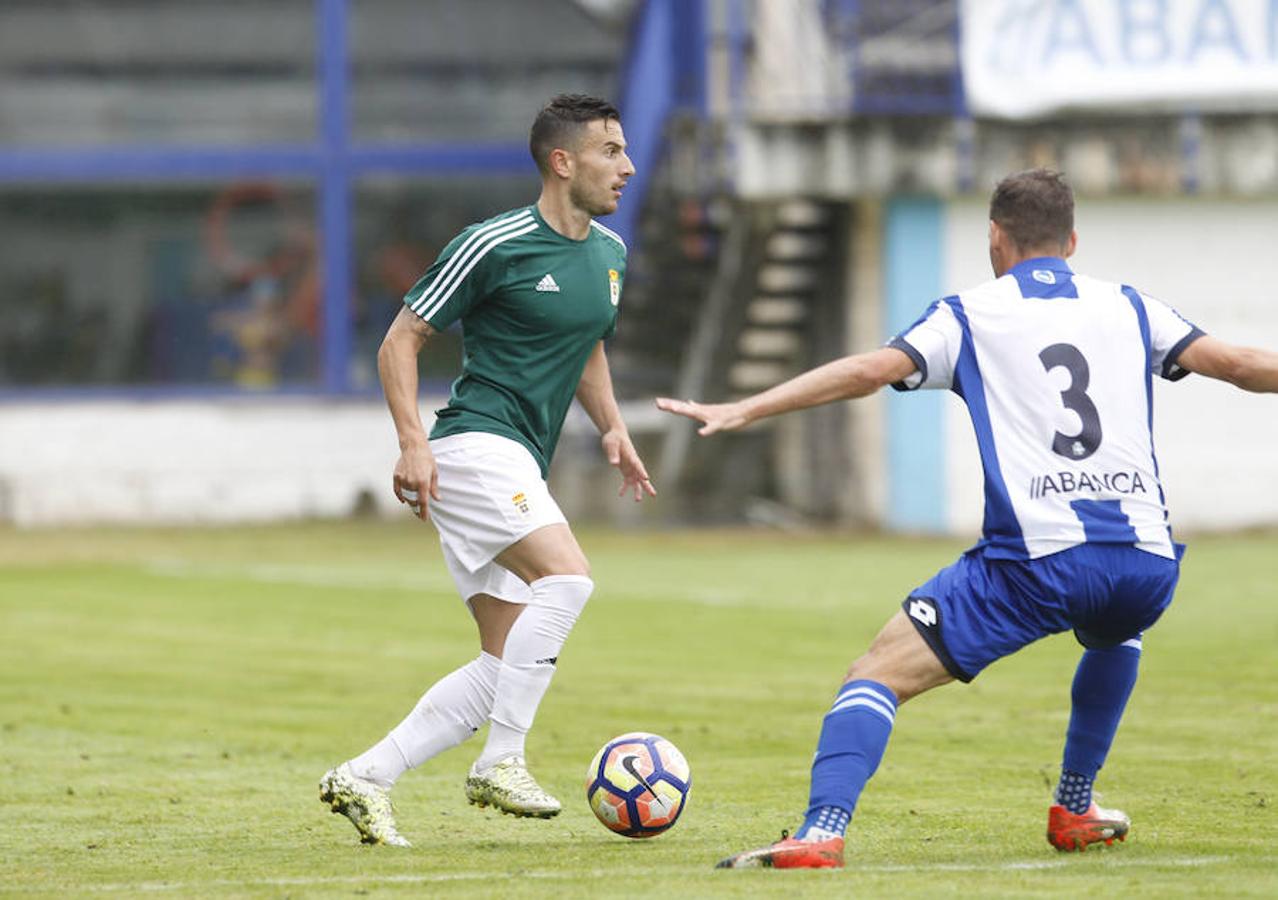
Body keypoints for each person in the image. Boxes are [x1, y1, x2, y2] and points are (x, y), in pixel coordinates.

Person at [657, 168, 1278, 869]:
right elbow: (1237, 364)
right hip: (1146, 560)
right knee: (1116, 628)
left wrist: (746, 407)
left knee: (877, 671)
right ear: (1071, 240)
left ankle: (821, 831)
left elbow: (867, 371)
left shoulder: (968, 314)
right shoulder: (1131, 306)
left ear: (995, 239)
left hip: (1037, 562)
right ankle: (1075, 805)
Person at [319, 93, 655, 847]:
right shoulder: (494, 242)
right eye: (610, 151)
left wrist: (613, 428)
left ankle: (364, 777)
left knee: (501, 665)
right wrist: (412, 441)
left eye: (626, 150)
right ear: (562, 162)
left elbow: (587, 342)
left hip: (518, 461)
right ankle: (501, 761)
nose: (627, 167)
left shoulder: (610, 255)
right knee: (567, 580)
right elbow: (399, 341)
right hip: (474, 447)